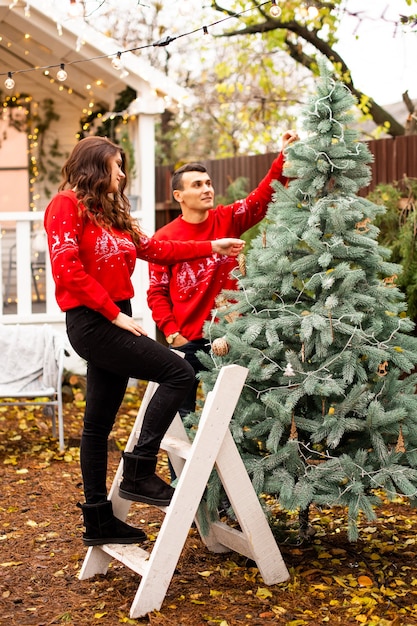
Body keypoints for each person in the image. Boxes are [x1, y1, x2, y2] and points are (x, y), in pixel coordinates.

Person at [43, 135, 244, 547]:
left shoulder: (111, 213)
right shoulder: (66, 205)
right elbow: (66, 270)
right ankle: (138, 471)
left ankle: (98, 520)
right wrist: (116, 315)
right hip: (93, 321)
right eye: (116, 165)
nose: (121, 173)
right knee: (179, 371)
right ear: (95, 167)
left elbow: (156, 249)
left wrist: (211, 245)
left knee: (97, 425)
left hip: (113, 317)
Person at [147, 131, 298, 423]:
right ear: (179, 195)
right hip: (186, 341)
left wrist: (283, 158)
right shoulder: (164, 239)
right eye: (197, 185)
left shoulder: (227, 218)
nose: (207, 189)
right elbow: (156, 292)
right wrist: (171, 332)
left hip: (230, 337)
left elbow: (261, 198)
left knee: (232, 417)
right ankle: (182, 472)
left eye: (208, 183)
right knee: (181, 418)